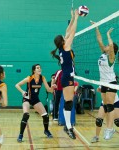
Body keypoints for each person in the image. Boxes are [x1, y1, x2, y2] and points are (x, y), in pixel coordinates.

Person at [51, 9, 79, 139]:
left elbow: (68, 31)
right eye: (63, 37)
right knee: (68, 102)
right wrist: (77, 18)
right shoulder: (66, 46)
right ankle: (68, 127)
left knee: (68, 101)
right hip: (67, 77)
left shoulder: (63, 47)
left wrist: (72, 17)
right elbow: (72, 32)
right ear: (62, 41)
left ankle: (67, 125)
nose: (65, 35)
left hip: (67, 77)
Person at [91, 21, 118, 140]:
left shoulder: (112, 57)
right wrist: (96, 27)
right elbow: (99, 40)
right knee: (106, 107)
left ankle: (109, 129)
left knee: (110, 106)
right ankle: (108, 129)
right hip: (103, 83)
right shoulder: (103, 54)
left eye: (108, 46)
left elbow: (111, 45)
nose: (106, 46)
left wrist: (108, 34)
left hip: (111, 83)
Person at [15, 64, 55, 142]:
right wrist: (22, 91)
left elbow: (49, 90)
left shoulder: (42, 78)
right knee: (26, 115)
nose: (39, 69)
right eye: (37, 68)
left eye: (40, 67)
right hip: (27, 98)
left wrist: (53, 87)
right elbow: (17, 85)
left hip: (35, 99)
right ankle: (20, 135)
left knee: (46, 116)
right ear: (34, 70)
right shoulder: (29, 78)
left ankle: (46, 131)